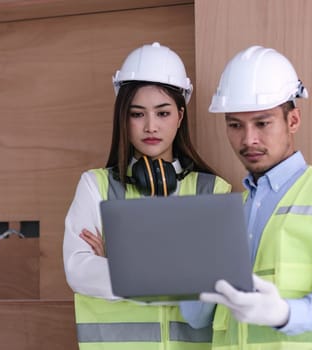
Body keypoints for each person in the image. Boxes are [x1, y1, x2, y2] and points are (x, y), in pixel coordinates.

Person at [187, 45, 312, 349]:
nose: (248, 140)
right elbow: (197, 317)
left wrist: (285, 313)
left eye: (262, 123)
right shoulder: (231, 213)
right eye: (235, 125)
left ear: (293, 121)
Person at [62, 42, 232, 350]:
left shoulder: (213, 191)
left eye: (163, 113)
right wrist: (178, 272)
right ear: (123, 119)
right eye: (137, 114)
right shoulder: (95, 186)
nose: (150, 126)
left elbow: (213, 285)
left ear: (180, 116)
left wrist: (119, 265)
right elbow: (79, 271)